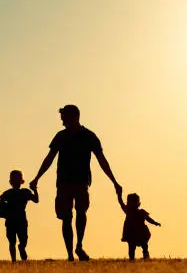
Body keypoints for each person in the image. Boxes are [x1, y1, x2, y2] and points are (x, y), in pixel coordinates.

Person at [30, 104, 122, 261]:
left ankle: (78, 245)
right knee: (66, 217)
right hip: (64, 182)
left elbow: (102, 160)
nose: (62, 122)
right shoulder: (60, 136)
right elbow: (49, 159)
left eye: (64, 118)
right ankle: (70, 254)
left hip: (81, 182)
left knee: (80, 213)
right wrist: (37, 177)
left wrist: (114, 181)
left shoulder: (89, 136)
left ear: (73, 117)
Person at [0, 170, 39, 262]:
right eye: (14, 180)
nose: (16, 182)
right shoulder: (22, 192)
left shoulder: (11, 193)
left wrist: (2, 212)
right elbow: (36, 200)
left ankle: (16, 256)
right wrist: (35, 190)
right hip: (16, 219)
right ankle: (15, 258)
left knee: (16, 241)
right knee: (16, 240)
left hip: (14, 219)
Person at [117, 190, 161, 260]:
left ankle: (144, 256)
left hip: (141, 233)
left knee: (143, 245)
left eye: (134, 202)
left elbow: (148, 219)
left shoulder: (140, 212)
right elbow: (121, 202)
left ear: (138, 204)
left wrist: (155, 223)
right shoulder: (128, 211)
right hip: (132, 233)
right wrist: (119, 195)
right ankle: (132, 259)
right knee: (132, 247)